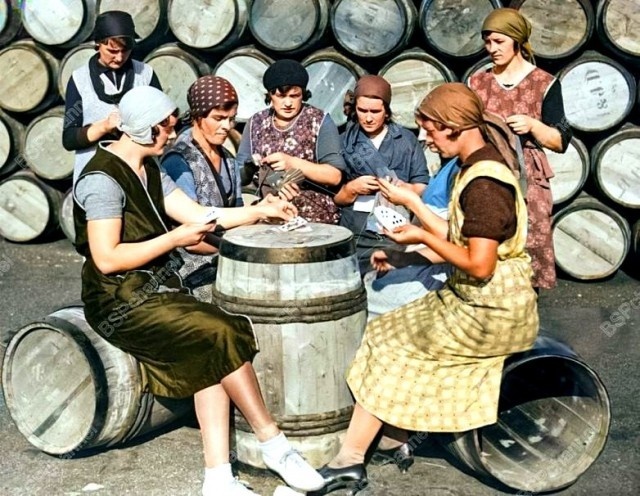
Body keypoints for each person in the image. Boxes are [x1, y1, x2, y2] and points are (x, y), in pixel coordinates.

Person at [72, 86, 324, 496]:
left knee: (207, 348)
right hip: (118, 299)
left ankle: (218, 478)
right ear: (146, 129)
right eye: (167, 127)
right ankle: (274, 444)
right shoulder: (102, 181)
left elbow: (200, 215)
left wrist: (260, 211)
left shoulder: (150, 167)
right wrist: (175, 239)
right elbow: (107, 259)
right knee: (221, 331)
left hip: (152, 287)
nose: (174, 134)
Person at [309, 83, 539, 495]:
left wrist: (419, 235)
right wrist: (408, 244)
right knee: (385, 329)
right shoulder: (474, 165)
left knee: (392, 342)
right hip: (476, 297)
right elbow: (461, 235)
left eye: (431, 131)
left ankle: (351, 459)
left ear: (453, 127)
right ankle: (390, 437)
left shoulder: (485, 184)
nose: (426, 140)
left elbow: (480, 263)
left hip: (491, 310)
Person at [468, 7, 572, 290]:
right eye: (488, 42)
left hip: (528, 177)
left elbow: (560, 140)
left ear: (517, 41)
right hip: (488, 171)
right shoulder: (478, 82)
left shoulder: (545, 83)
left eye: (499, 41)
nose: (492, 49)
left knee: (530, 241)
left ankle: (527, 303)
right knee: (487, 237)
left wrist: (533, 125)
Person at [335, 75, 429, 274]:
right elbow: (336, 196)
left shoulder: (406, 140)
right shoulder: (344, 141)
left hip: (395, 228)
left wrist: (405, 189)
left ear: (386, 111)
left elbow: (422, 185)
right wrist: (352, 188)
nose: (368, 118)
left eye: (375, 111)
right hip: (355, 229)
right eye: (362, 111)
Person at [161, 75, 243, 302]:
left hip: (224, 255)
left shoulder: (228, 158)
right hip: (190, 266)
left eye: (231, 119)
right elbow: (191, 237)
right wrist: (236, 250)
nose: (227, 126)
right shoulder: (179, 161)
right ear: (198, 116)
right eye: (219, 118)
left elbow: (238, 213)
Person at [235, 59, 346, 224]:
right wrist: (249, 167)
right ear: (270, 95)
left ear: (303, 94)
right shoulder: (256, 122)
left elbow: (334, 176)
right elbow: (238, 177)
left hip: (313, 217)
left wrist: (292, 163)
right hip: (270, 215)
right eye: (281, 96)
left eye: (294, 96)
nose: (288, 103)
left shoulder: (319, 120)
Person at [63, 10, 162, 183]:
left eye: (125, 51)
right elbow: (69, 139)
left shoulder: (146, 75)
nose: (119, 57)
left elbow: (164, 123)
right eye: (112, 51)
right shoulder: (79, 80)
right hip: (97, 175)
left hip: (140, 174)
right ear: (98, 44)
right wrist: (104, 127)